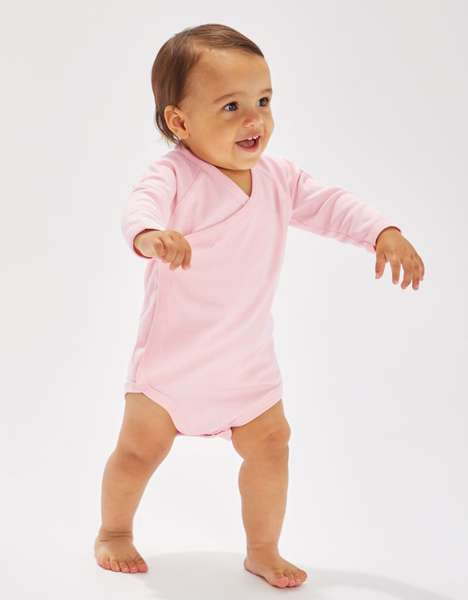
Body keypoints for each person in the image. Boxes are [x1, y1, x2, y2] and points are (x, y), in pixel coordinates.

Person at [94, 23, 425, 589]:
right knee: (136, 452)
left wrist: (381, 232)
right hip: (172, 365)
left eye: (264, 101)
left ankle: (263, 550)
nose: (255, 120)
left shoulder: (279, 179)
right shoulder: (174, 175)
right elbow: (140, 207)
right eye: (231, 106)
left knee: (272, 447)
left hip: (246, 367)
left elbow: (332, 205)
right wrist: (150, 235)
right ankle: (115, 531)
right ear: (180, 122)